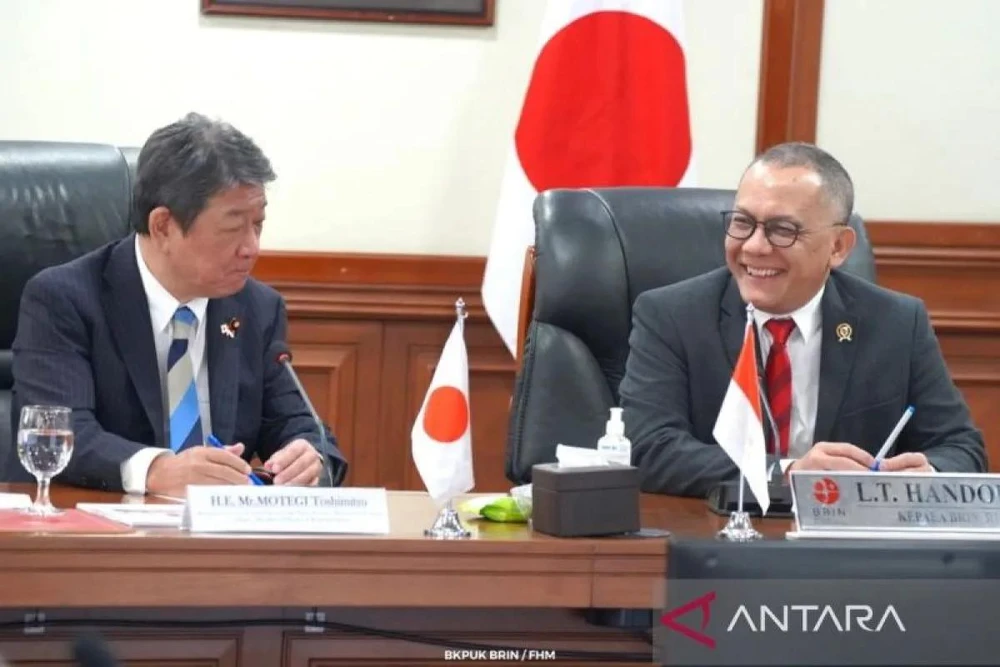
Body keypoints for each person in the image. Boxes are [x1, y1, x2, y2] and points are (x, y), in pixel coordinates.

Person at [5, 112, 347, 495]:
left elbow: (299, 426)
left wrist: (309, 456)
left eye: (258, 224)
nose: (252, 248)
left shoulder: (258, 308)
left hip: (216, 545)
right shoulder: (65, 299)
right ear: (163, 226)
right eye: (233, 228)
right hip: (99, 537)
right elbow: (59, 434)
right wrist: (155, 471)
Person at [619, 142, 986, 497]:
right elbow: (650, 449)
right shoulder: (671, 315)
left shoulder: (897, 323)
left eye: (783, 230)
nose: (754, 246)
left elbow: (961, 448)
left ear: (838, 247)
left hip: (845, 548)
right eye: (742, 222)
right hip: (717, 540)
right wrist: (788, 473)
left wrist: (929, 473)